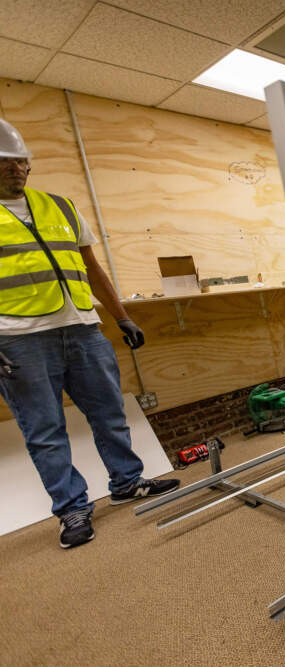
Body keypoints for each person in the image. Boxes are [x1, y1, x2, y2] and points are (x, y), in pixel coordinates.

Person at [0, 119, 179, 549]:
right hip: (19, 339)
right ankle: (72, 507)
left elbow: (93, 269)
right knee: (45, 431)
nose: (16, 169)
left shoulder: (60, 207)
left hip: (82, 328)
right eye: (6, 163)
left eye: (21, 162)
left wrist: (122, 318)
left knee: (109, 413)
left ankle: (127, 481)